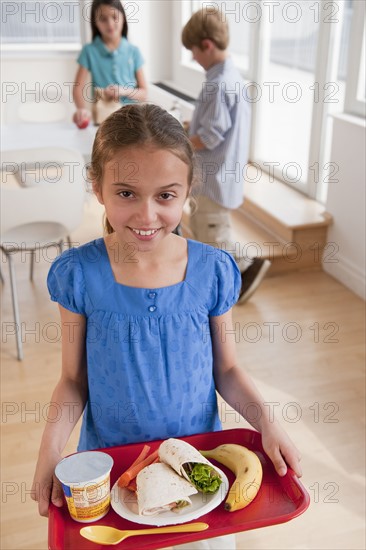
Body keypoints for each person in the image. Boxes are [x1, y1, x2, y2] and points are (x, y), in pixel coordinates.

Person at [31, 104, 301, 550]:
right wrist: (48, 452)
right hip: (112, 474)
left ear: (188, 191)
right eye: (126, 194)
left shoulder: (212, 270)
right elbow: (73, 380)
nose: (147, 215)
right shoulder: (79, 274)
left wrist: (269, 423)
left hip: (198, 471)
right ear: (96, 186)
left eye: (165, 196)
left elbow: (228, 371)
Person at [182, 8, 271, 304]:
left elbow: (208, 137)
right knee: (215, 228)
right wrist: (190, 126)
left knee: (213, 237)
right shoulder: (233, 77)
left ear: (206, 45)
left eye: (193, 52)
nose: (194, 58)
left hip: (212, 178)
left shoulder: (218, 85)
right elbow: (216, 127)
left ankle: (239, 274)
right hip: (224, 174)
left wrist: (179, 139)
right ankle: (249, 264)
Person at [73, 0, 147, 128]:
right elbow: (77, 88)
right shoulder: (89, 51)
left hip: (132, 121)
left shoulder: (133, 52)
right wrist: (81, 109)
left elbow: (144, 93)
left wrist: (123, 91)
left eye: (114, 17)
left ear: (123, 17)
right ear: (95, 23)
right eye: (103, 19)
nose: (110, 24)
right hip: (103, 121)